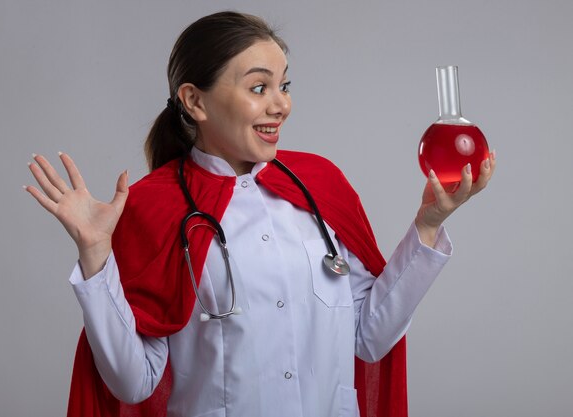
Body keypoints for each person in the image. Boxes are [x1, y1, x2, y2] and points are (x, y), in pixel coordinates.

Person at [25, 11, 495, 417]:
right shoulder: (152, 206)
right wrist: (95, 255)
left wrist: (429, 225)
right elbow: (134, 382)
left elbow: (370, 337)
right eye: (258, 87)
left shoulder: (320, 184)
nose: (281, 104)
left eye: (283, 85)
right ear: (194, 100)